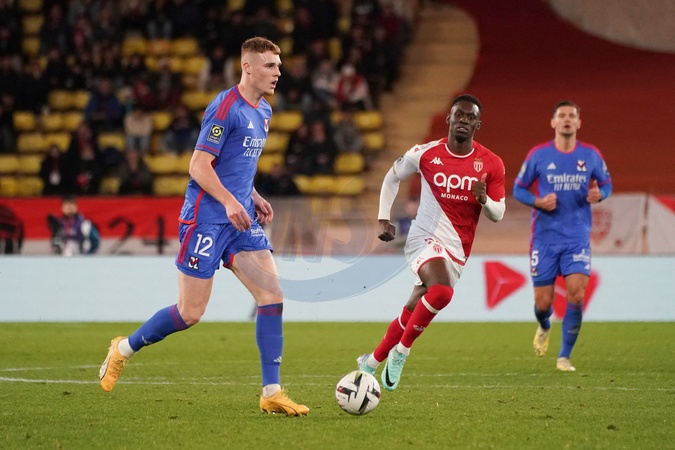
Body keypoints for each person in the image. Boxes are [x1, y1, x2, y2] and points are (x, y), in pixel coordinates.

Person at [99, 37, 309, 416]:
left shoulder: (263, 110)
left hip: (239, 219)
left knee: (272, 294)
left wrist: (252, 195)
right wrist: (229, 201)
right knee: (190, 313)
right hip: (207, 219)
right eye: (270, 65)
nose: (278, 72)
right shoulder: (225, 107)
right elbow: (198, 165)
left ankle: (271, 392)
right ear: (247, 67)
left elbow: (236, 164)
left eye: (278, 66)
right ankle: (123, 348)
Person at [356, 94, 506, 391]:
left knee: (415, 306)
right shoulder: (425, 153)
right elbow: (391, 177)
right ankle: (401, 351)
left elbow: (498, 213)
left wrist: (485, 200)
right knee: (442, 291)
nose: (463, 120)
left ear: (477, 125)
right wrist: (383, 217)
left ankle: (371, 361)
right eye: (459, 114)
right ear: (449, 118)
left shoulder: (492, 163)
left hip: (458, 250)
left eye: (470, 117)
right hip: (423, 238)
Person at [513, 100, 612, 372]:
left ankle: (564, 357)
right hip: (545, 238)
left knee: (576, 296)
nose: (567, 119)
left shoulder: (591, 155)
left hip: (577, 238)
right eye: (562, 115)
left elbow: (607, 183)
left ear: (578, 122)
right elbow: (518, 189)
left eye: (572, 116)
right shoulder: (539, 155)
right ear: (553, 122)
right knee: (543, 303)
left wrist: (600, 194)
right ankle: (544, 325)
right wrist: (538, 202)